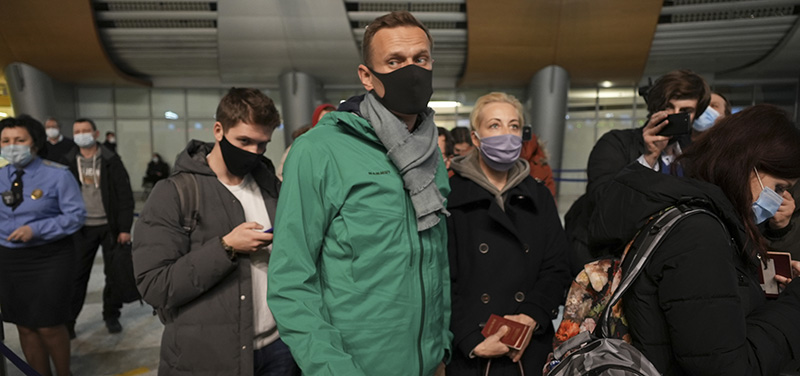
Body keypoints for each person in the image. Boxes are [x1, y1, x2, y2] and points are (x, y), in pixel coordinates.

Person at [268, 11, 451, 375]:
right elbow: (290, 282)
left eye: (421, 59)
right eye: (394, 61)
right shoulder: (319, 150)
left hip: (428, 364)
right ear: (367, 76)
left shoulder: (429, 153)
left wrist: (440, 347)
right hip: (353, 366)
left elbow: (435, 260)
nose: (411, 70)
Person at [588, 104, 800, 375]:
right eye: (779, 187)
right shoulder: (700, 234)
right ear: (745, 166)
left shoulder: (703, 221)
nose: (781, 199)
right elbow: (725, 367)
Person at [133, 88, 299, 376]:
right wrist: (226, 248)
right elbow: (155, 285)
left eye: (262, 145)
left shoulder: (272, 187)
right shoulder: (174, 193)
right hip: (207, 358)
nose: (253, 153)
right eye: (244, 141)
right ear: (219, 130)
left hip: (278, 348)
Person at [446, 92, 571, 375]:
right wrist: (469, 338)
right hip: (472, 350)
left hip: (528, 346)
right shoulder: (451, 197)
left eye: (513, 126)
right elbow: (440, 278)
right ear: (476, 139)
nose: (506, 134)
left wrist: (531, 315)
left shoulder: (538, 196)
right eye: (495, 125)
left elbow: (557, 266)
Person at [564, 69, 710, 275]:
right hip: (608, 260)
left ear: (696, 115)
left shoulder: (697, 158)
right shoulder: (615, 144)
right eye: (668, 107)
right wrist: (648, 157)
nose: (675, 115)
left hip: (666, 264)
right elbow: (604, 205)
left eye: (685, 111)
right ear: (654, 108)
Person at [0, 116, 86, 376]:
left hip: (50, 258)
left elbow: (76, 215)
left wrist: (35, 229)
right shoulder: (1, 176)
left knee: (49, 324)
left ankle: (63, 373)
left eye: (19, 140)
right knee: (24, 326)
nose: (12, 146)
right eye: (5, 141)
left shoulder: (58, 175)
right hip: (9, 259)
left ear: (34, 143)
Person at [65, 118, 134, 337]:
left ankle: (111, 314)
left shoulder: (111, 160)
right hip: (80, 228)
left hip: (109, 227)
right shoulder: (66, 161)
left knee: (113, 274)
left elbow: (125, 195)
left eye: (85, 130)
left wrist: (124, 228)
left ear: (95, 134)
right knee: (76, 275)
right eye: (77, 131)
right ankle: (69, 321)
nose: (81, 134)